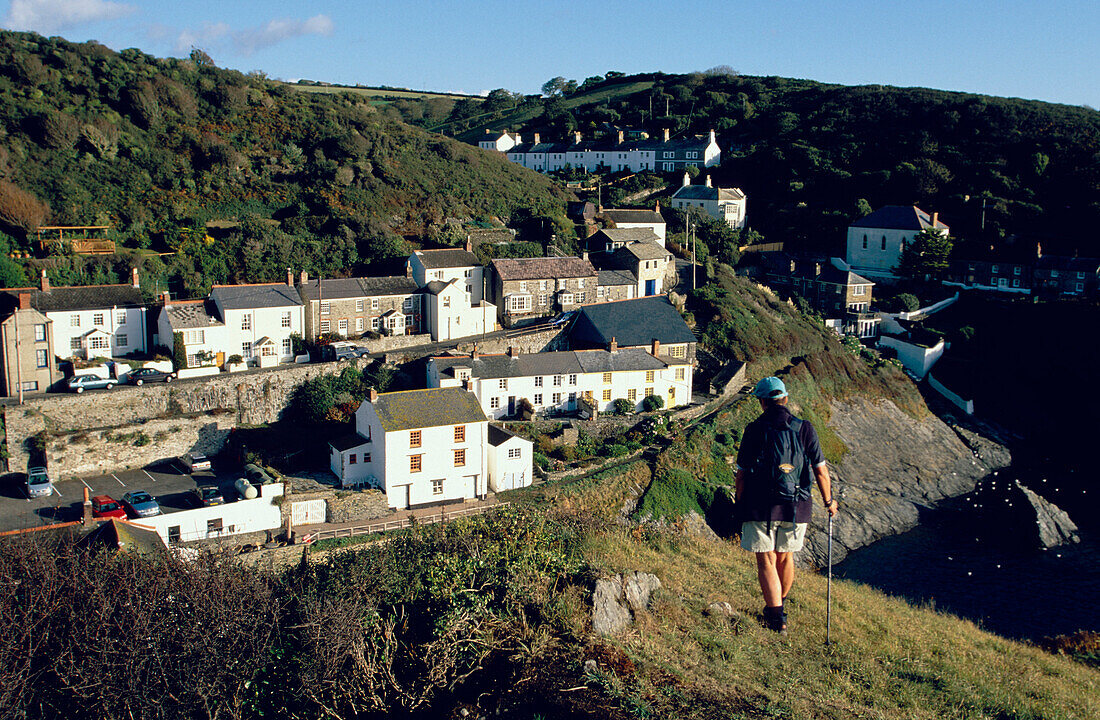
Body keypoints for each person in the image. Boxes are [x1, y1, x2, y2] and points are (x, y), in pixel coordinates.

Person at [734, 376, 838, 634]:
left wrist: (740, 502)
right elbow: (821, 471)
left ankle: (776, 616)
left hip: (760, 505)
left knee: (766, 560)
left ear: (762, 402)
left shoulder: (754, 429)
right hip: (796, 505)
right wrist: (829, 501)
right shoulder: (805, 428)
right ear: (785, 399)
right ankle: (779, 605)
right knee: (785, 557)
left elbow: (742, 473)